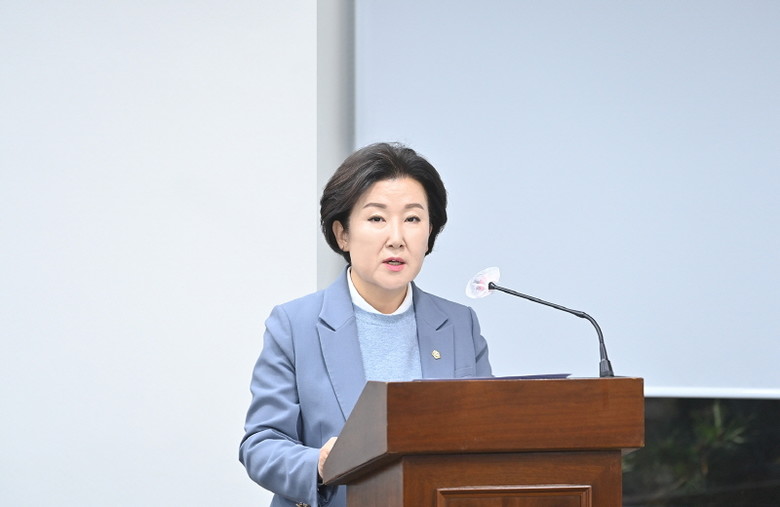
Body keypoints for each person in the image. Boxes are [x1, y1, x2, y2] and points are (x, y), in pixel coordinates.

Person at [239, 142, 492, 507]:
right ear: (342, 233)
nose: (396, 238)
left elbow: (486, 435)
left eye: (412, 219)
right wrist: (319, 464)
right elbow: (261, 444)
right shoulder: (294, 325)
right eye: (377, 219)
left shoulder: (458, 324)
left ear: (430, 232)